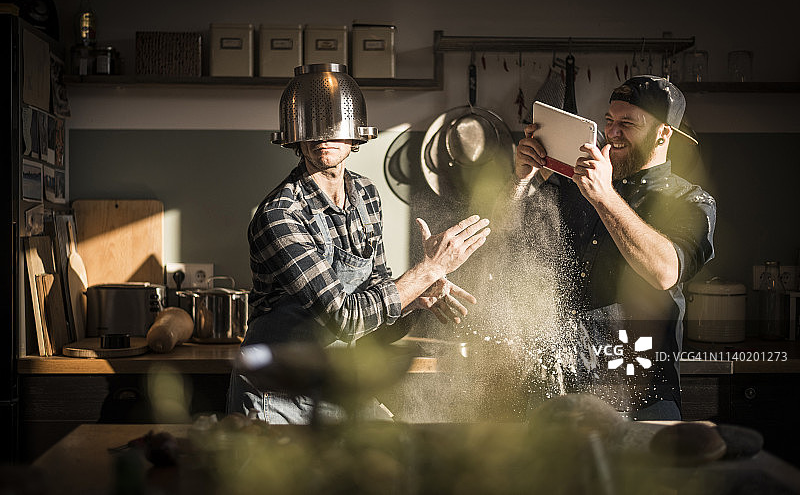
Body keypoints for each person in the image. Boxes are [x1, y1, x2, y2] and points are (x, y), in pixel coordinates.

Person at [228, 81, 491, 424]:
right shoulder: (279, 215)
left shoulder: (366, 195)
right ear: (294, 137)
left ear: (356, 136)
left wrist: (416, 298)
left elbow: (372, 322)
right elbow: (345, 319)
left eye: (335, 124)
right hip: (278, 396)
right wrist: (427, 269)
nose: (324, 135)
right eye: (312, 126)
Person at [494, 75, 716, 420]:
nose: (612, 133)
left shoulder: (689, 200)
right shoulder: (572, 185)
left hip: (643, 396)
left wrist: (604, 197)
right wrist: (520, 179)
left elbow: (664, 272)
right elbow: (499, 234)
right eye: (609, 121)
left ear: (663, 133)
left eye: (627, 124)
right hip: (558, 392)